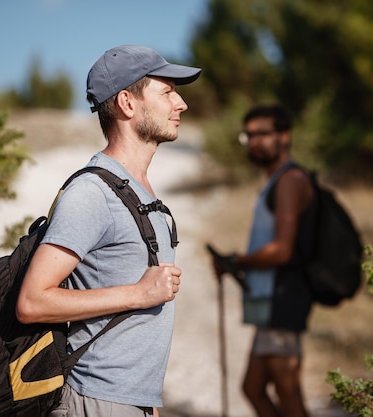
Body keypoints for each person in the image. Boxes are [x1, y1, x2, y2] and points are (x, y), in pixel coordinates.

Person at [16, 45, 201, 417]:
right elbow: (32, 302)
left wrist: (147, 403)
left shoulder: (135, 188)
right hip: (96, 399)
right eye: (167, 92)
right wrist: (137, 294)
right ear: (126, 104)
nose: (180, 104)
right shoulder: (92, 193)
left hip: (130, 401)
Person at [209, 105, 314, 417]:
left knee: (287, 390)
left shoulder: (289, 180)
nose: (254, 141)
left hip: (284, 299)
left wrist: (237, 261)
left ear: (284, 136)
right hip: (271, 303)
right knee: (252, 388)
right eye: (249, 135)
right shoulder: (275, 180)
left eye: (263, 134)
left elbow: (282, 250)